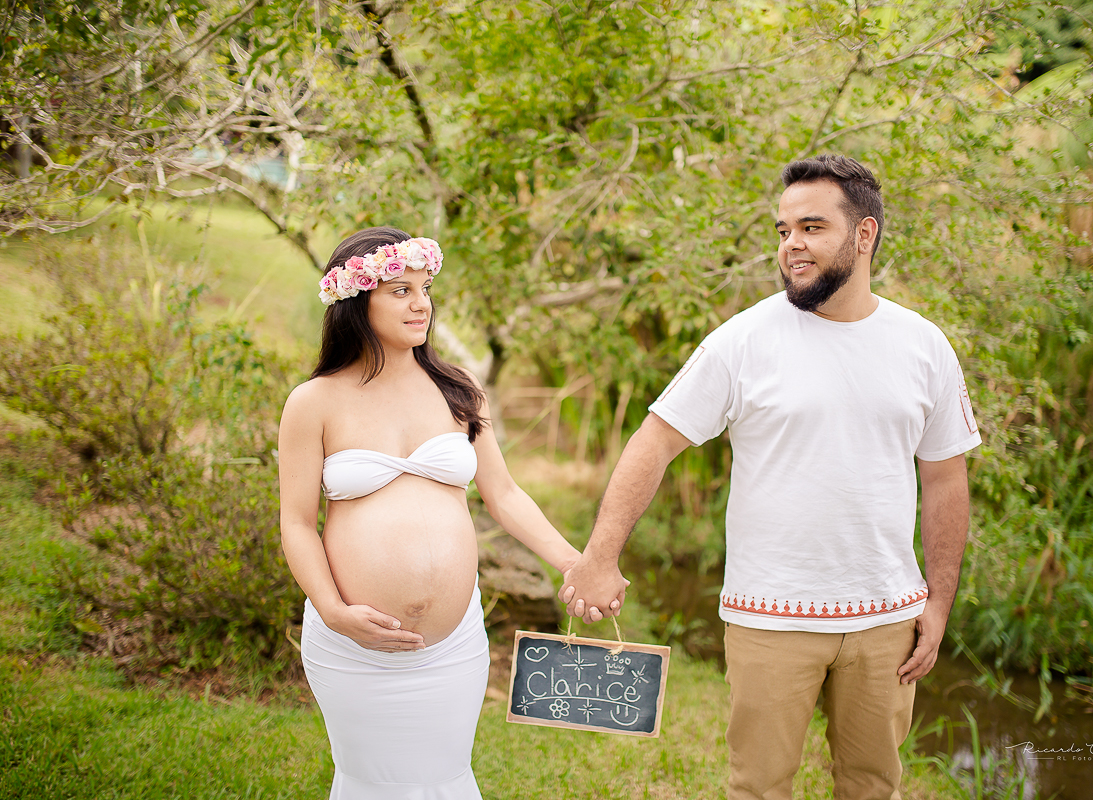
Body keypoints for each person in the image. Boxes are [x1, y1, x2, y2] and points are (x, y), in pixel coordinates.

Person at [559, 154, 982, 800]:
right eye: (783, 231)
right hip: (771, 617)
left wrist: (939, 600)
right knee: (758, 789)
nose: (791, 246)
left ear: (864, 235)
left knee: (873, 786)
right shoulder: (743, 341)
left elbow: (947, 481)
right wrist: (599, 555)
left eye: (811, 228)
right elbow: (656, 441)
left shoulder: (924, 347)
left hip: (886, 619)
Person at [278, 227, 583, 800]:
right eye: (400, 290)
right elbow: (296, 522)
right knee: (371, 782)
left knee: (443, 780)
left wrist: (574, 562)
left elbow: (505, 494)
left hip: (452, 648)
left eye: (426, 288)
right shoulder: (314, 402)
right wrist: (333, 610)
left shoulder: (459, 390)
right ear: (355, 300)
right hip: (351, 646)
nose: (422, 304)